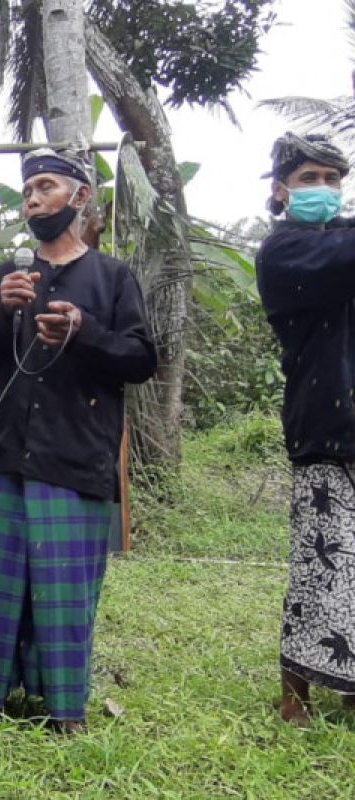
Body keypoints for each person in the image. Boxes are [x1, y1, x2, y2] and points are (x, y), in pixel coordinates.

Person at [0, 148, 156, 732]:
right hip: (6, 451)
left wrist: (84, 331)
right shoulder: (9, 274)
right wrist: (1, 310)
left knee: (64, 587)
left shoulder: (112, 277)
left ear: (80, 197)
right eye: (27, 190)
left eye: (46, 186)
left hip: (75, 453)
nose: (33, 199)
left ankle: (63, 709)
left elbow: (141, 359)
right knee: (0, 583)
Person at [255, 131, 355, 726]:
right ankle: (295, 690)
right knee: (323, 567)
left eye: (332, 179)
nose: (322, 189)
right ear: (281, 191)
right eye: (309, 178)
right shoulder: (285, 250)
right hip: (325, 427)